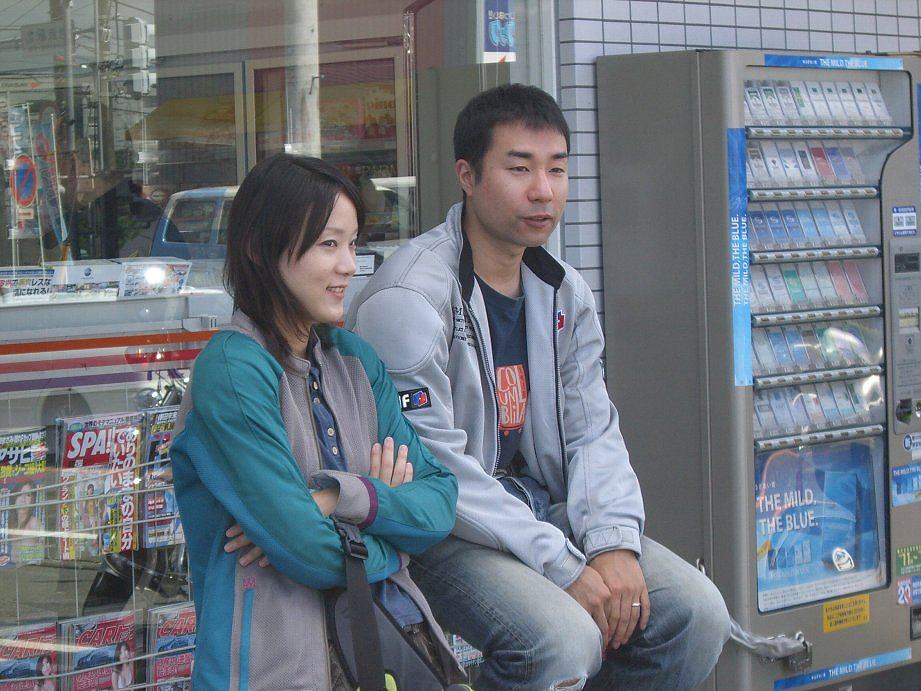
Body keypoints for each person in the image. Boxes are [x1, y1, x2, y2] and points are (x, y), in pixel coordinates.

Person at [345, 84, 731, 690]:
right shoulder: (409, 297)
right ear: (467, 176)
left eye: (557, 169)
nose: (543, 191)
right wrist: (564, 565)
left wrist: (611, 544)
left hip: (537, 511)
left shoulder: (562, 290)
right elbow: (432, 466)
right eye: (519, 168)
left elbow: (593, 429)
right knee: (559, 641)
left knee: (696, 614)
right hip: (437, 528)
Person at [170, 154, 462, 689]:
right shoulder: (233, 370)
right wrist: (393, 538)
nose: (349, 265)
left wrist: (337, 498)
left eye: (352, 244)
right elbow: (305, 550)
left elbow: (440, 503)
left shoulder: (355, 359)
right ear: (259, 248)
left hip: (389, 647)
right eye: (329, 244)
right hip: (275, 667)